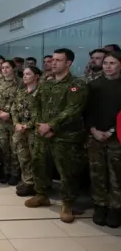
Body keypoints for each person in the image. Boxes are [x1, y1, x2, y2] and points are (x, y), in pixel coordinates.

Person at [25, 48, 88, 224]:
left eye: (58, 60)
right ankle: (41, 194)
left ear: (68, 63)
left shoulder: (77, 84)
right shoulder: (46, 84)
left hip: (66, 136)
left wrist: (51, 125)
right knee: (39, 164)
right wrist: (40, 125)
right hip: (43, 133)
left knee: (67, 171)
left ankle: (67, 204)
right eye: (52, 60)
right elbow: (35, 105)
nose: (53, 63)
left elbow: (74, 109)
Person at [86, 51, 121, 228]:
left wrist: (111, 132)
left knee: (116, 174)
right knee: (97, 173)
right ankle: (100, 205)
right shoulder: (94, 85)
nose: (108, 66)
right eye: (106, 63)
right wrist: (93, 130)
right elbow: (86, 111)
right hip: (95, 135)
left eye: (112, 63)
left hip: (117, 137)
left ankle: (115, 208)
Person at [11, 66, 42, 197]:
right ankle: (27, 181)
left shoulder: (41, 92)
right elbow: (14, 110)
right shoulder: (21, 92)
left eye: (28, 74)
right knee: (23, 157)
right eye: (23, 74)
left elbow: (41, 113)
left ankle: (39, 185)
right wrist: (17, 123)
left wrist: (27, 126)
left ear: (36, 76)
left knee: (36, 158)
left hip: (35, 131)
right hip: (20, 130)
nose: (24, 76)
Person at [0, 60, 19, 185]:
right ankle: (5, 172)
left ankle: (15, 173)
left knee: (15, 148)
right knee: (3, 147)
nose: (5, 70)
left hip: (14, 121)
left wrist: (10, 114)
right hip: (0, 121)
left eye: (7, 67)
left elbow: (22, 102)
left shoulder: (20, 83)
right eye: (2, 68)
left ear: (13, 69)